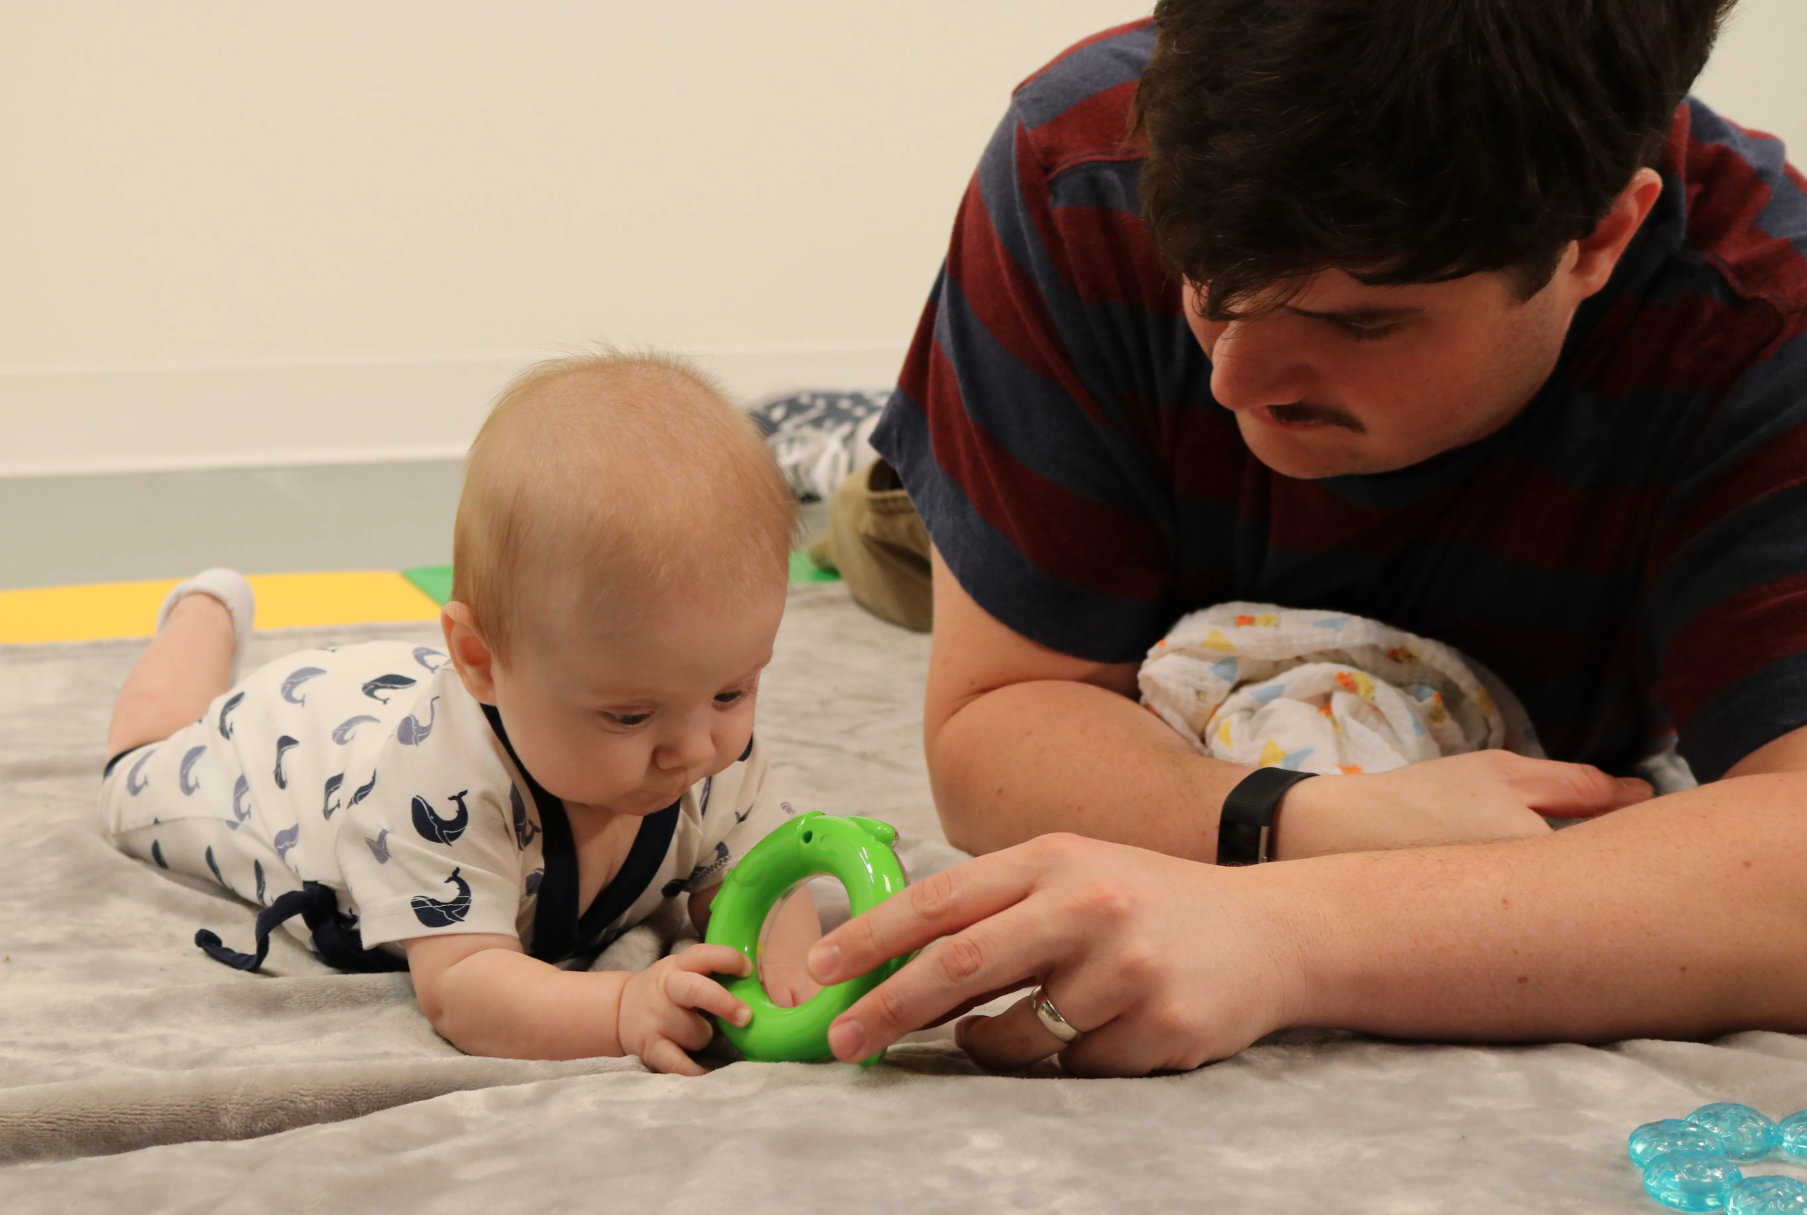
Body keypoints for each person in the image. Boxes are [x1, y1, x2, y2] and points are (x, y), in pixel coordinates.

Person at [805, 0, 1807, 1073]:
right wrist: (1297, 824)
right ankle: (848, 465)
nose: (1232, 380)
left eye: (1358, 322)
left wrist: (1291, 932)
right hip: (1100, 546)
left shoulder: (1762, 318)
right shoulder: (1086, 159)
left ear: (1599, 236)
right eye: (1204, 281)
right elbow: (995, 726)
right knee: (883, 531)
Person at [98, 352, 820, 1075]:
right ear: (480, 661)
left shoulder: (698, 734)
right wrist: (622, 1007)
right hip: (285, 745)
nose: (693, 750)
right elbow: (465, 987)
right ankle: (203, 614)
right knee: (138, 761)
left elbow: (758, 876)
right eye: (630, 716)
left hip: (395, 692)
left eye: (732, 691)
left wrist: (790, 971)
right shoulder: (437, 787)